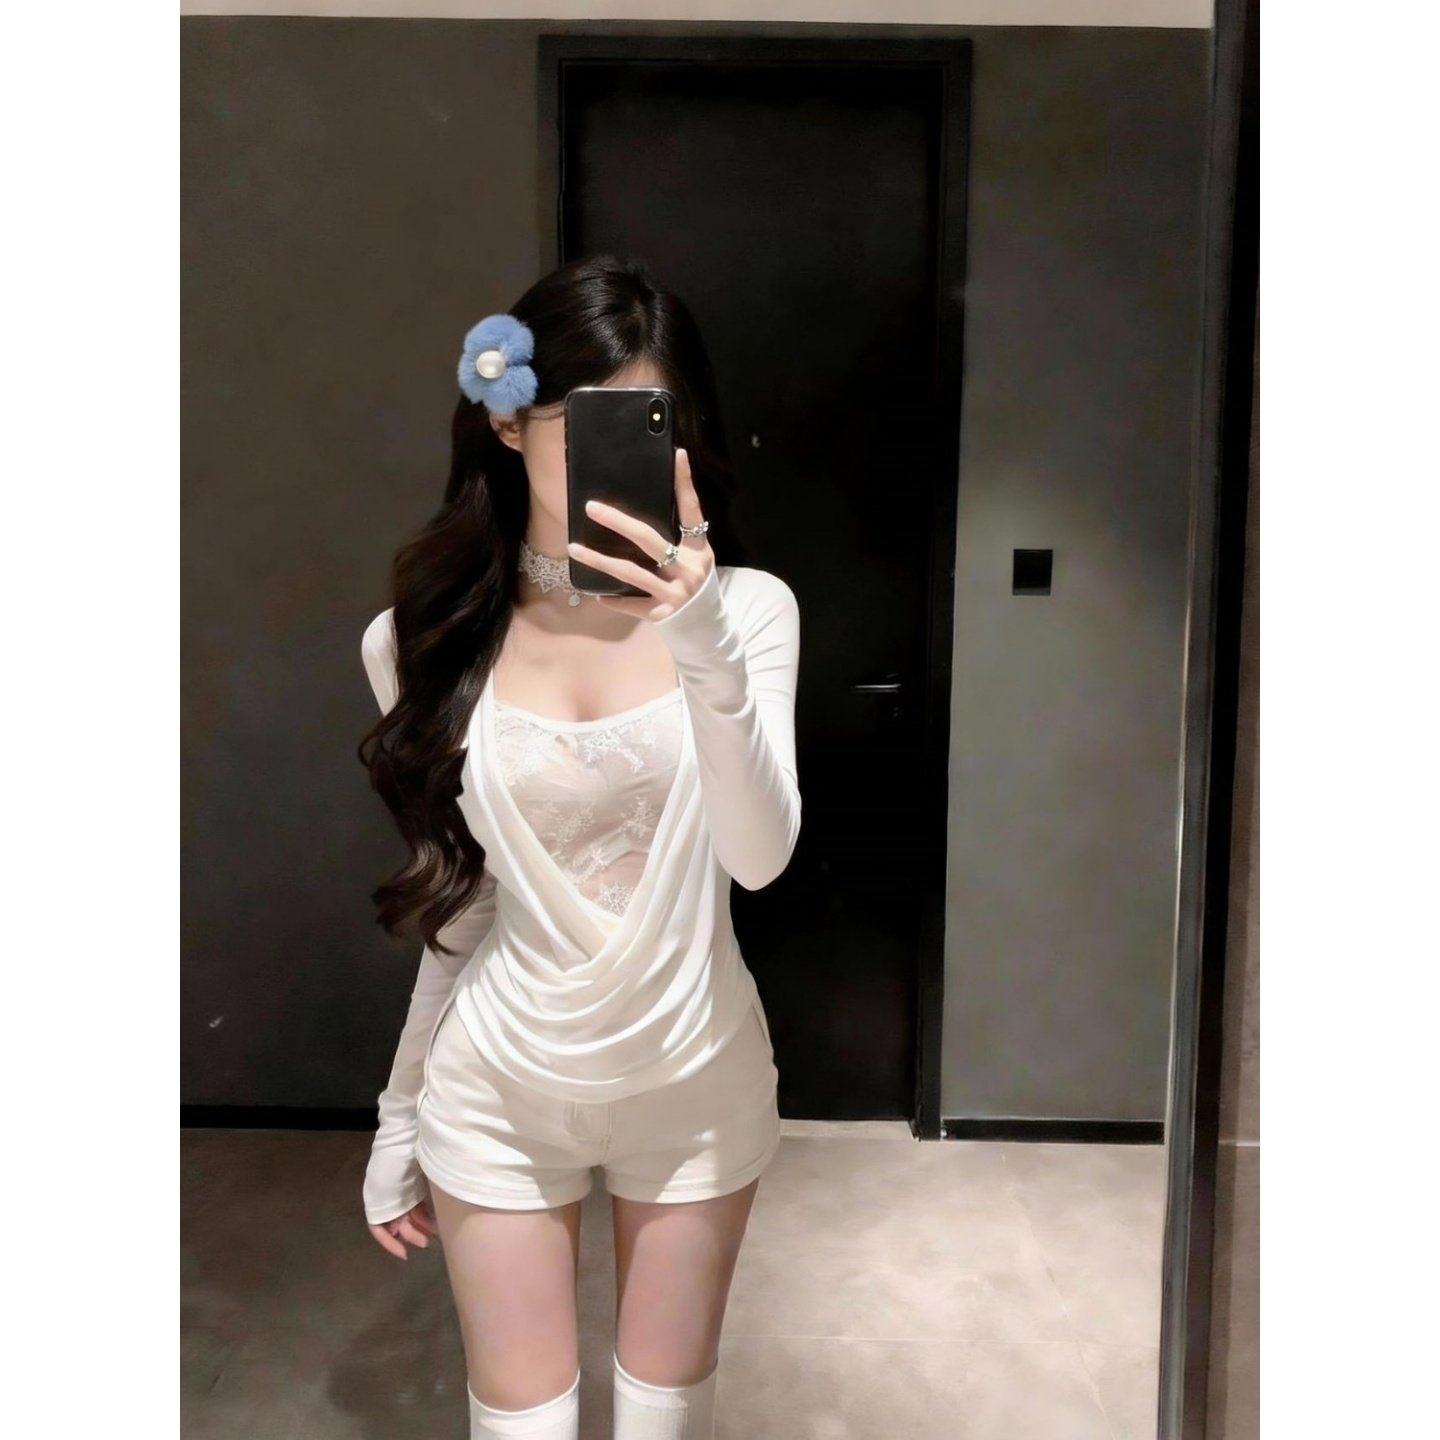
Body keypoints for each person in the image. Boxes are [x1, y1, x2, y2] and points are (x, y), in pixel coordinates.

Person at [356, 254, 802, 1439]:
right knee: (521, 1427)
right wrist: (400, 1112)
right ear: (507, 422)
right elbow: (464, 906)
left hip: (696, 1077)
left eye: (656, 422)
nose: (629, 455)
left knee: (665, 1420)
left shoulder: (750, 612)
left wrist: (698, 638)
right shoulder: (423, 641)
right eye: (590, 420)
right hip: (499, 1084)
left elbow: (760, 857)